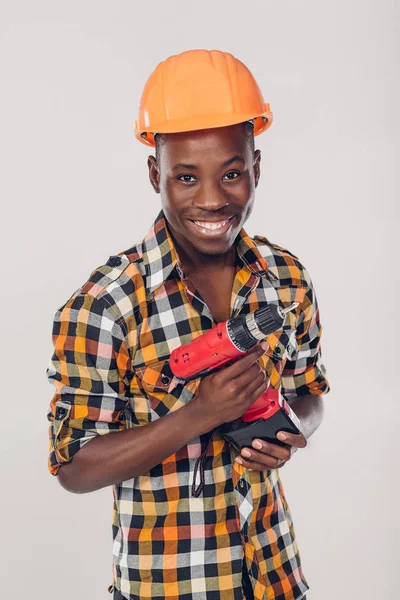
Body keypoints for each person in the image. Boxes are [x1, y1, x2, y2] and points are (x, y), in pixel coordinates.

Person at [46, 49, 330, 600]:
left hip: (274, 575)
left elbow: (310, 390)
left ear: (255, 169)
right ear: (156, 174)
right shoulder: (106, 305)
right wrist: (200, 414)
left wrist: (294, 427)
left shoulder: (287, 278)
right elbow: (73, 465)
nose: (211, 199)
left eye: (231, 173)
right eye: (185, 177)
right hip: (168, 586)